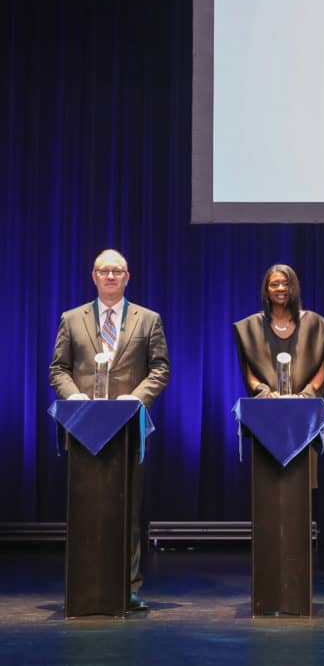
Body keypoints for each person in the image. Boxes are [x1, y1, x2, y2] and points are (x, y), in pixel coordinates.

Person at [49, 249, 170, 611]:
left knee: (127, 509)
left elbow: (160, 369)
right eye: (105, 271)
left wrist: (133, 400)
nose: (111, 276)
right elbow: (58, 370)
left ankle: (128, 585)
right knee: (86, 507)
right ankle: (85, 581)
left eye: (118, 271)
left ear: (127, 277)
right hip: (84, 426)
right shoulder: (72, 319)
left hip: (129, 427)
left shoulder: (148, 320)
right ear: (94, 276)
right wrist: (77, 399)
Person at [233, 264, 324, 481]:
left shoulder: (315, 324)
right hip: (267, 415)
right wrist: (265, 393)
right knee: (267, 482)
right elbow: (249, 372)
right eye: (274, 284)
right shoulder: (250, 327)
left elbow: (322, 370)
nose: (280, 288)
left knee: (301, 483)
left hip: (303, 415)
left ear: (294, 288)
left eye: (286, 283)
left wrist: (303, 396)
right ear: (266, 290)